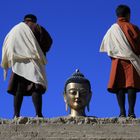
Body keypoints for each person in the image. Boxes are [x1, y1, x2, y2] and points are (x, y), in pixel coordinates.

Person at [1, 14, 53, 118]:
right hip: (33, 61)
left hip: (17, 64)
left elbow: (6, 45)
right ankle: (38, 114)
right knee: (36, 87)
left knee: (18, 89)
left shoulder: (14, 29)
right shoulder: (37, 27)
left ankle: (16, 114)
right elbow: (48, 42)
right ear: (34, 19)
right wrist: (40, 50)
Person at [100, 5, 140, 118]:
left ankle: (122, 113)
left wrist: (115, 55)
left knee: (120, 86)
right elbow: (138, 44)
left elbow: (107, 46)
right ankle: (131, 112)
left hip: (117, 61)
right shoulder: (132, 27)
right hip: (131, 60)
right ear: (128, 14)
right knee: (131, 85)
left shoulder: (111, 30)